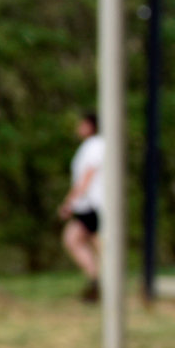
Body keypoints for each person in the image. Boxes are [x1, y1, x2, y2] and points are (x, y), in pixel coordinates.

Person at [58, 109, 105, 302]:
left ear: (90, 126)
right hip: (89, 204)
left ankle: (97, 281)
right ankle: (96, 281)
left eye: (82, 123)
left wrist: (69, 202)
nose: (78, 127)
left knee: (75, 239)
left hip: (92, 204)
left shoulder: (95, 145)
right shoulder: (92, 146)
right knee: (92, 243)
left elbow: (87, 177)